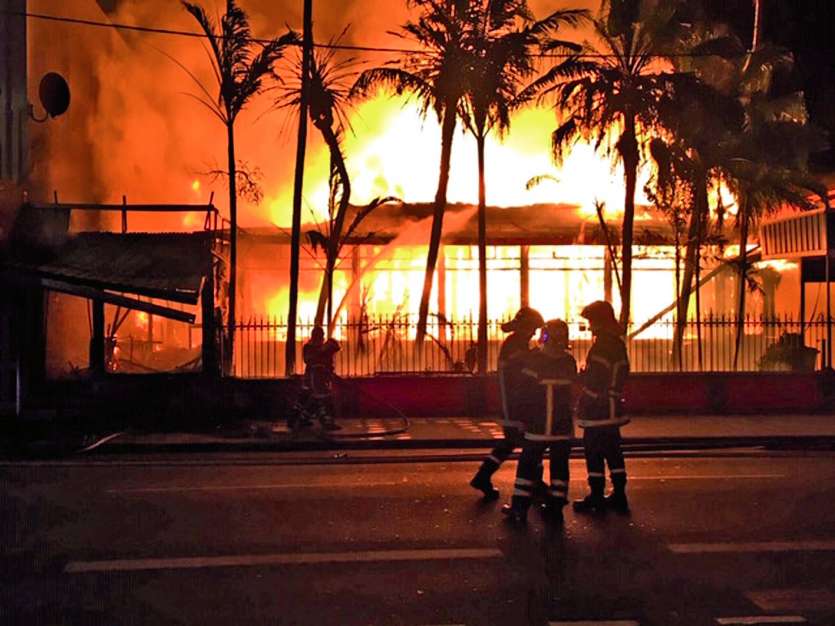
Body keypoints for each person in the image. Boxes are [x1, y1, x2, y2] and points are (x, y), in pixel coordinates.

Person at [501, 319, 578, 524]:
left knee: (527, 465)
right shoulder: (568, 362)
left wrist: (518, 419)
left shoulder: (534, 360)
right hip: (562, 427)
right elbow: (574, 390)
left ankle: (519, 508)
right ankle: (556, 507)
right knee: (560, 467)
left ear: (544, 336)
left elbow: (522, 393)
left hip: (537, 425)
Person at [470, 307, 544, 500]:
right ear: (526, 327)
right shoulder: (516, 345)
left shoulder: (515, 343)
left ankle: (483, 477)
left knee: (510, 443)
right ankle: (534, 484)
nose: (535, 332)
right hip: (517, 404)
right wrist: (544, 346)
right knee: (531, 443)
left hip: (514, 403)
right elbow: (528, 365)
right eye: (534, 328)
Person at [573, 301, 631, 514]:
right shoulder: (618, 345)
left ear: (599, 321)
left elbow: (595, 379)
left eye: (591, 321)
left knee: (594, 452)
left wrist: (583, 384)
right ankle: (619, 495)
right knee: (614, 451)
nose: (589, 326)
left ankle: (596, 496)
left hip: (597, 409)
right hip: (613, 407)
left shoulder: (601, 347)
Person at [300, 326, 342, 431]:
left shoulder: (322, 348)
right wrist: (321, 351)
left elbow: (329, 360)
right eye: (320, 336)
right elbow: (309, 360)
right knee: (324, 399)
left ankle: (303, 419)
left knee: (315, 400)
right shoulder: (308, 347)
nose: (322, 338)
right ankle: (327, 422)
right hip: (314, 378)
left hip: (321, 378)